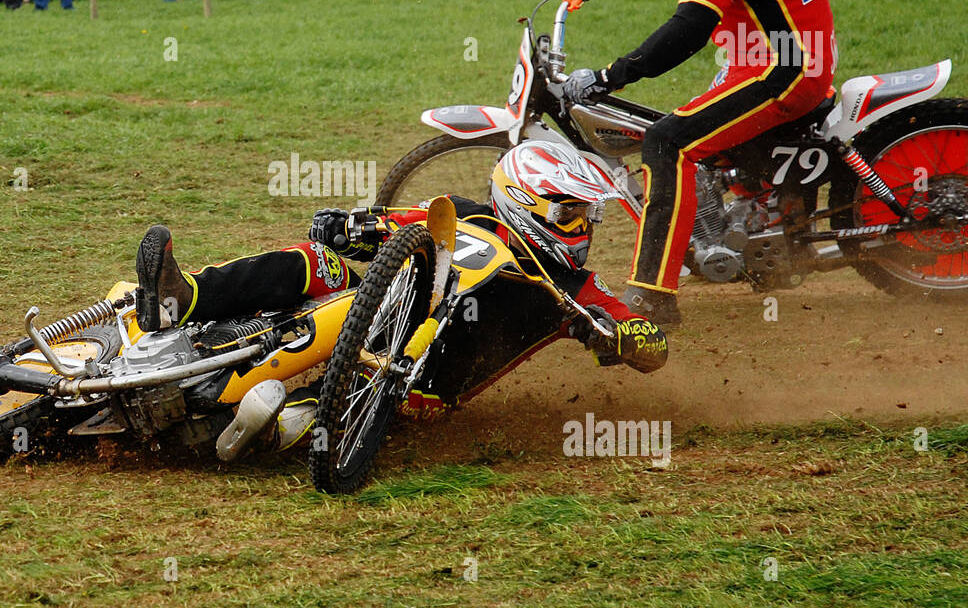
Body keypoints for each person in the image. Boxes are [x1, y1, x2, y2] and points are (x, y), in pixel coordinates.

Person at [131, 141, 668, 459]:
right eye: (569, 214)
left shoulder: (572, 291)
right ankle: (182, 297)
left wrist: (628, 335)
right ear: (528, 202)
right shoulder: (466, 213)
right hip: (375, 308)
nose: (581, 229)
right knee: (316, 262)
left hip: (417, 389)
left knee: (302, 414)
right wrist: (351, 227)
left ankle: (230, 433)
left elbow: (643, 337)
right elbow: (397, 225)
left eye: (585, 217)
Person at [564, 0, 838, 328]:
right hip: (774, 54)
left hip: (785, 69)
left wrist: (612, 74)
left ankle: (653, 296)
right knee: (704, 139)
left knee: (668, 142)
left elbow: (690, 28)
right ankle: (751, 219)